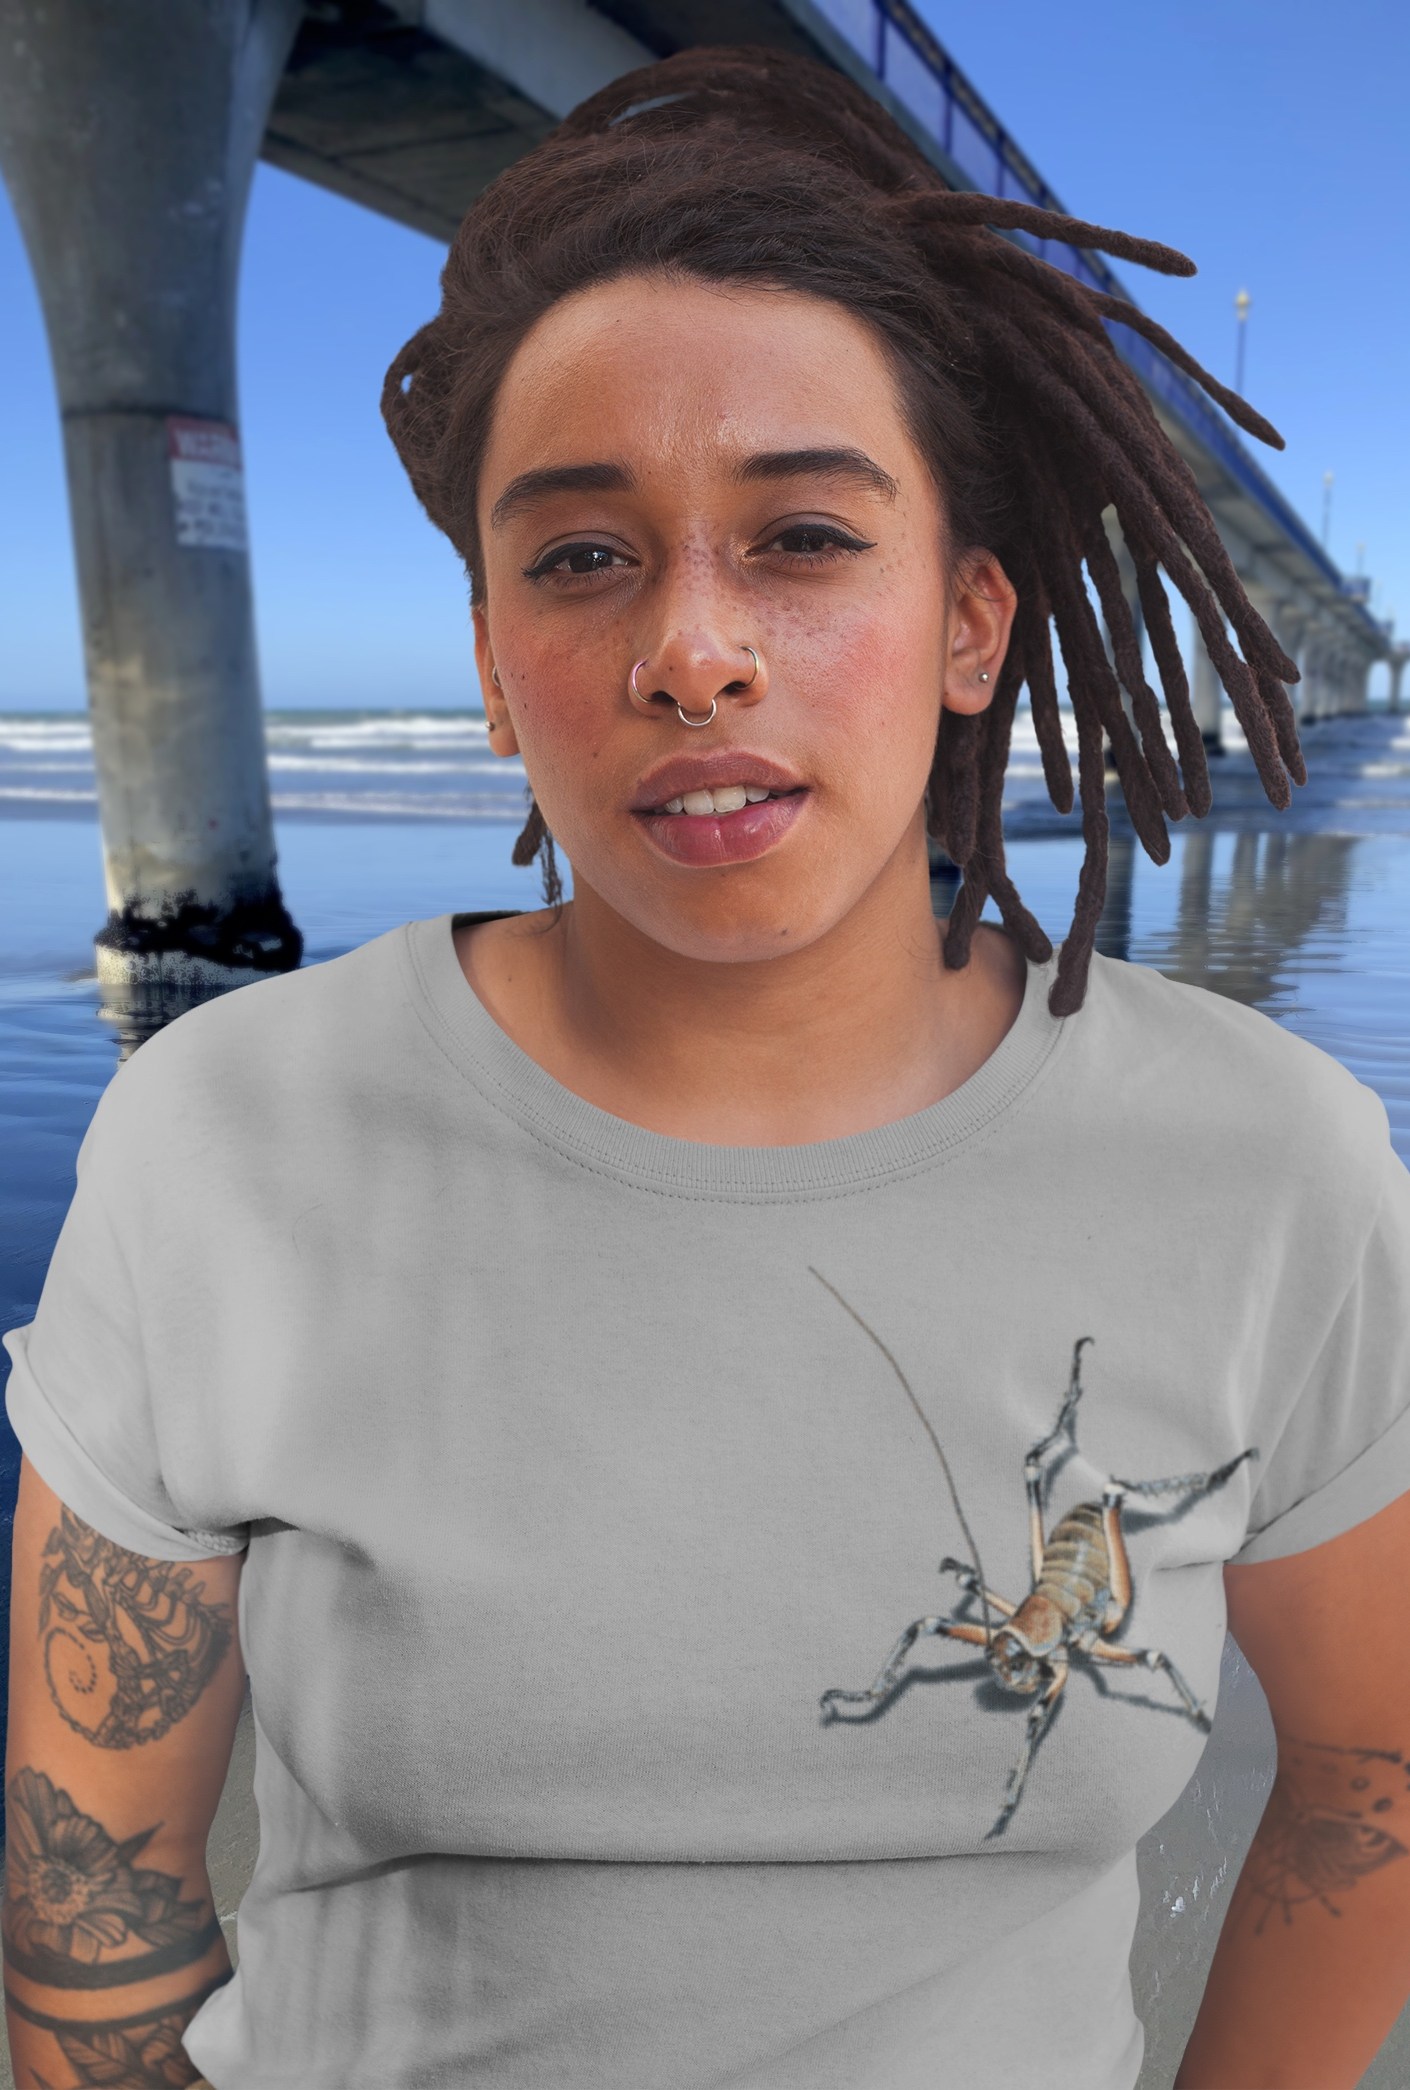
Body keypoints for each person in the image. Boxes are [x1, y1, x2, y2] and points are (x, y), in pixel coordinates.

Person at [5, 43, 1409, 2090]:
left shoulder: (1268, 1162)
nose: (691, 651)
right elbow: (93, 1871)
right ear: (493, 667)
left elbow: (1371, 1770)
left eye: (804, 537)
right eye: (582, 557)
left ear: (971, 623)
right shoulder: (220, 1141)